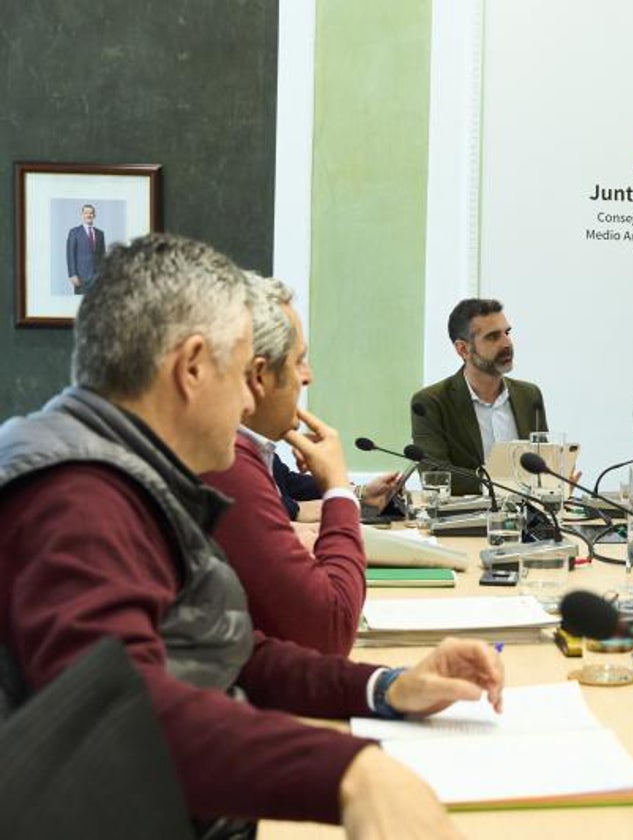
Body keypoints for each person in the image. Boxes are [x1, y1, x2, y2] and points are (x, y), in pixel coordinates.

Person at [0, 233, 503, 836]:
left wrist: (386, 687)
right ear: (190, 369)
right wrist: (351, 773)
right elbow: (122, 713)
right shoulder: (75, 498)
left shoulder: (128, 473)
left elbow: (226, 650)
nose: (248, 399)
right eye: (242, 373)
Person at [202, 274, 401, 654]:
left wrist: (378, 688)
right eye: (299, 360)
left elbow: (250, 651)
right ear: (259, 375)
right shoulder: (226, 463)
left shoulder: (246, 452)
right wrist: (339, 490)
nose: (307, 376)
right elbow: (331, 629)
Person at [411, 298, 547, 494]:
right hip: (466, 520)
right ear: (463, 349)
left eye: (506, 333)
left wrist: (555, 478)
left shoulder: (529, 395)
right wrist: (503, 484)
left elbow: (541, 461)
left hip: (531, 519)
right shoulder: (432, 402)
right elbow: (434, 475)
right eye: (493, 337)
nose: (506, 343)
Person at [65, 203, 106, 295]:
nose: (89, 215)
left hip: (97, 277)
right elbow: (70, 254)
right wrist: (72, 274)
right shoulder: (74, 232)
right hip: (81, 277)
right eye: (86, 213)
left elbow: (103, 255)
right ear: (82, 215)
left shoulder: (100, 233)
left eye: (91, 213)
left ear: (94, 215)